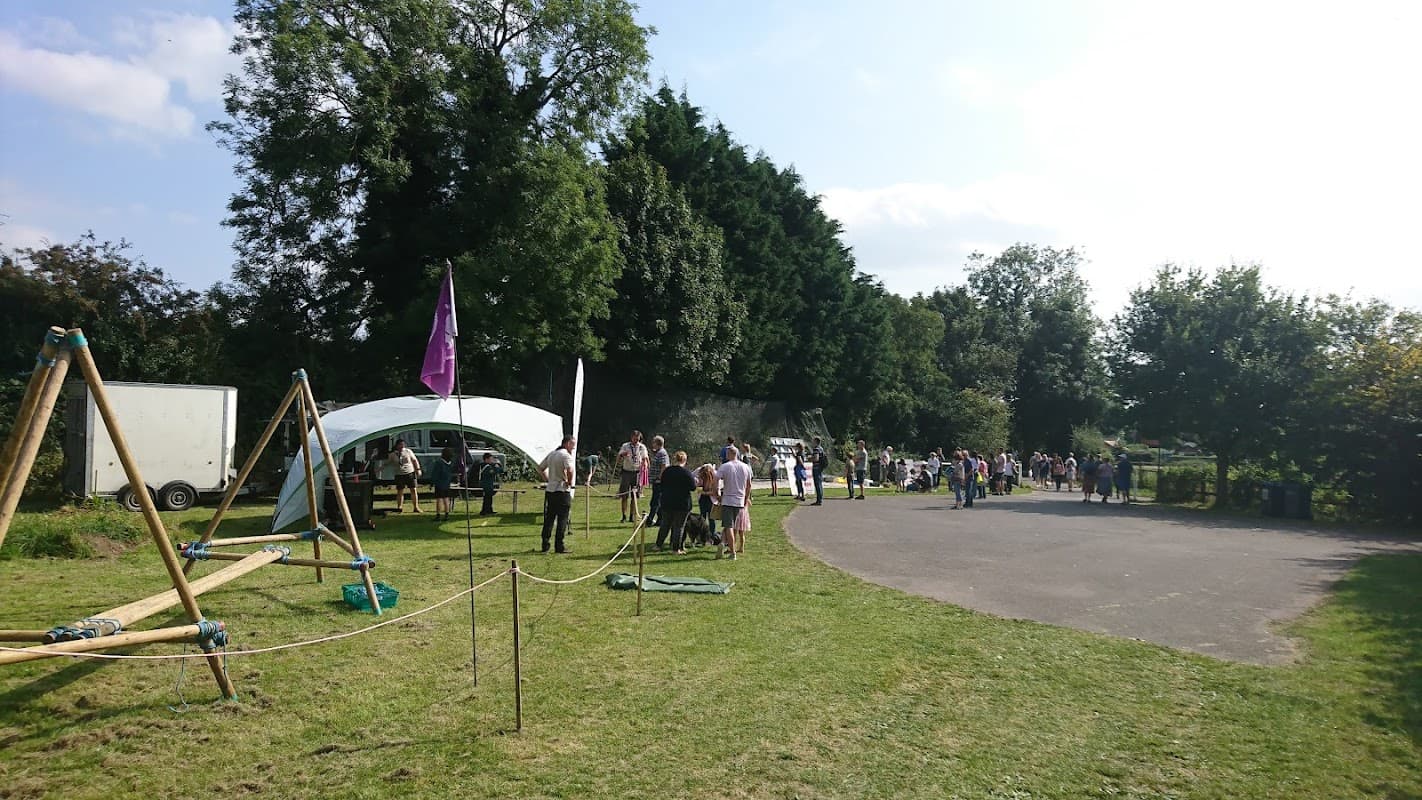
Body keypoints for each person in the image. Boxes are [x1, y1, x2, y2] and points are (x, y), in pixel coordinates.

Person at [537, 435, 576, 553]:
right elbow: (570, 470)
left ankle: (545, 545)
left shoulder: (552, 454)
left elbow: (540, 468)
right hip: (562, 490)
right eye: (572, 445)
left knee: (549, 518)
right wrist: (569, 482)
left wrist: (548, 480)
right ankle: (559, 546)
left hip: (551, 490)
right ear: (567, 443)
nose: (573, 448)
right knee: (562, 519)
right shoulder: (565, 455)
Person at [714, 446, 753, 559]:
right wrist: (746, 498)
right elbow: (749, 485)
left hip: (728, 499)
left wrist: (717, 494)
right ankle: (724, 544)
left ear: (729, 454)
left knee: (728, 526)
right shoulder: (745, 467)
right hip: (740, 500)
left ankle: (732, 552)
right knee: (732, 525)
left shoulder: (725, 466)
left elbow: (716, 479)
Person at [655, 451, 697, 554]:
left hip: (667, 501)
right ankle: (676, 549)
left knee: (665, 525)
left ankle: (658, 545)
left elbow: (662, 484)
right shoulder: (687, 473)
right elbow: (693, 487)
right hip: (682, 504)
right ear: (685, 460)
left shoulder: (667, 471)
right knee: (679, 526)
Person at [614, 430, 648, 523]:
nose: (636, 440)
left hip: (637, 472)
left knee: (635, 496)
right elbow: (618, 457)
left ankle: (632, 516)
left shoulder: (642, 447)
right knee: (624, 495)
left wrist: (645, 464)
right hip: (626, 472)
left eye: (638, 439)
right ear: (631, 437)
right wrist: (622, 454)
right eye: (634, 438)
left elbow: (645, 458)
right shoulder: (625, 446)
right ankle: (624, 516)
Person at [391, 439, 422, 513]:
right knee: (400, 491)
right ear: (397, 445)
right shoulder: (393, 454)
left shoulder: (408, 451)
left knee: (413, 490)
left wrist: (418, 469)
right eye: (400, 445)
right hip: (399, 474)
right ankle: (399, 507)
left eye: (403, 444)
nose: (402, 446)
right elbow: (387, 463)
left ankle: (416, 507)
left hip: (410, 473)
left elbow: (414, 460)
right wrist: (379, 469)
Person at [645, 435, 670, 527]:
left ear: (657, 443)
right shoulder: (659, 452)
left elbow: (664, 466)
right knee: (658, 501)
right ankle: (660, 520)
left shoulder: (662, 453)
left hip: (659, 482)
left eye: (653, 442)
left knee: (654, 502)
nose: (652, 444)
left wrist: (659, 478)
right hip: (656, 481)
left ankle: (650, 520)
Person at [429, 446, 456, 521]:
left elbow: (435, 474)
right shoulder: (451, 463)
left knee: (439, 500)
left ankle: (438, 515)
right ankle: (447, 515)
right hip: (447, 483)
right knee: (446, 499)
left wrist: (432, 483)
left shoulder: (439, 462)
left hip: (439, 483)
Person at [696, 463, 720, 544]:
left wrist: (704, 492)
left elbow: (715, 492)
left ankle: (711, 537)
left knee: (711, 519)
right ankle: (701, 537)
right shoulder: (701, 475)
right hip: (702, 499)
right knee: (701, 519)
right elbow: (698, 486)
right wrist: (699, 485)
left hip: (711, 500)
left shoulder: (715, 478)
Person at [810, 436, 827, 505]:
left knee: (817, 483)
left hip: (816, 467)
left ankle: (819, 500)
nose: (812, 442)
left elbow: (816, 458)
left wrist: (810, 459)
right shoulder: (821, 448)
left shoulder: (816, 449)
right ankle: (820, 498)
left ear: (816, 442)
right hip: (820, 467)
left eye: (813, 441)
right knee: (819, 483)